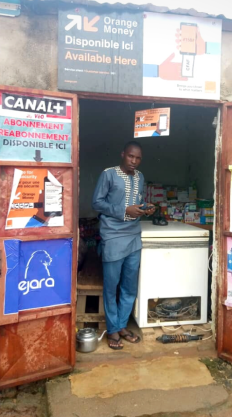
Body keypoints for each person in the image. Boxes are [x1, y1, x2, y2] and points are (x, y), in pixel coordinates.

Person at [92, 141, 155, 350]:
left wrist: (145, 209)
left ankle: (121, 326)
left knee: (129, 286)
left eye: (138, 158)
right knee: (111, 287)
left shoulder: (140, 177)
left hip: (133, 235)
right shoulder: (108, 174)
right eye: (130, 156)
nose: (134, 161)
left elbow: (136, 202)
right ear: (123, 154)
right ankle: (112, 329)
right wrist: (124, 210)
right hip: (112, 235)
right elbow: (97, 203)